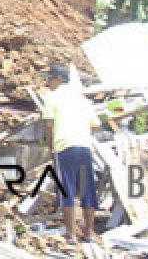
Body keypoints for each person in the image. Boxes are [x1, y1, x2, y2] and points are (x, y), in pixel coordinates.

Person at [40, 64, 100, 244]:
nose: (48, 82)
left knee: (67, 189)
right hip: (84, 147)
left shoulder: (51, 97)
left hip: (65, 147)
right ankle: (89, 233)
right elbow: (95, 124)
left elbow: (48, 125)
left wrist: (50, 148)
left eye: (50, 78)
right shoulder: (82, 99)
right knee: (87, 189)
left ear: (58, 80)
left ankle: (72, 234)